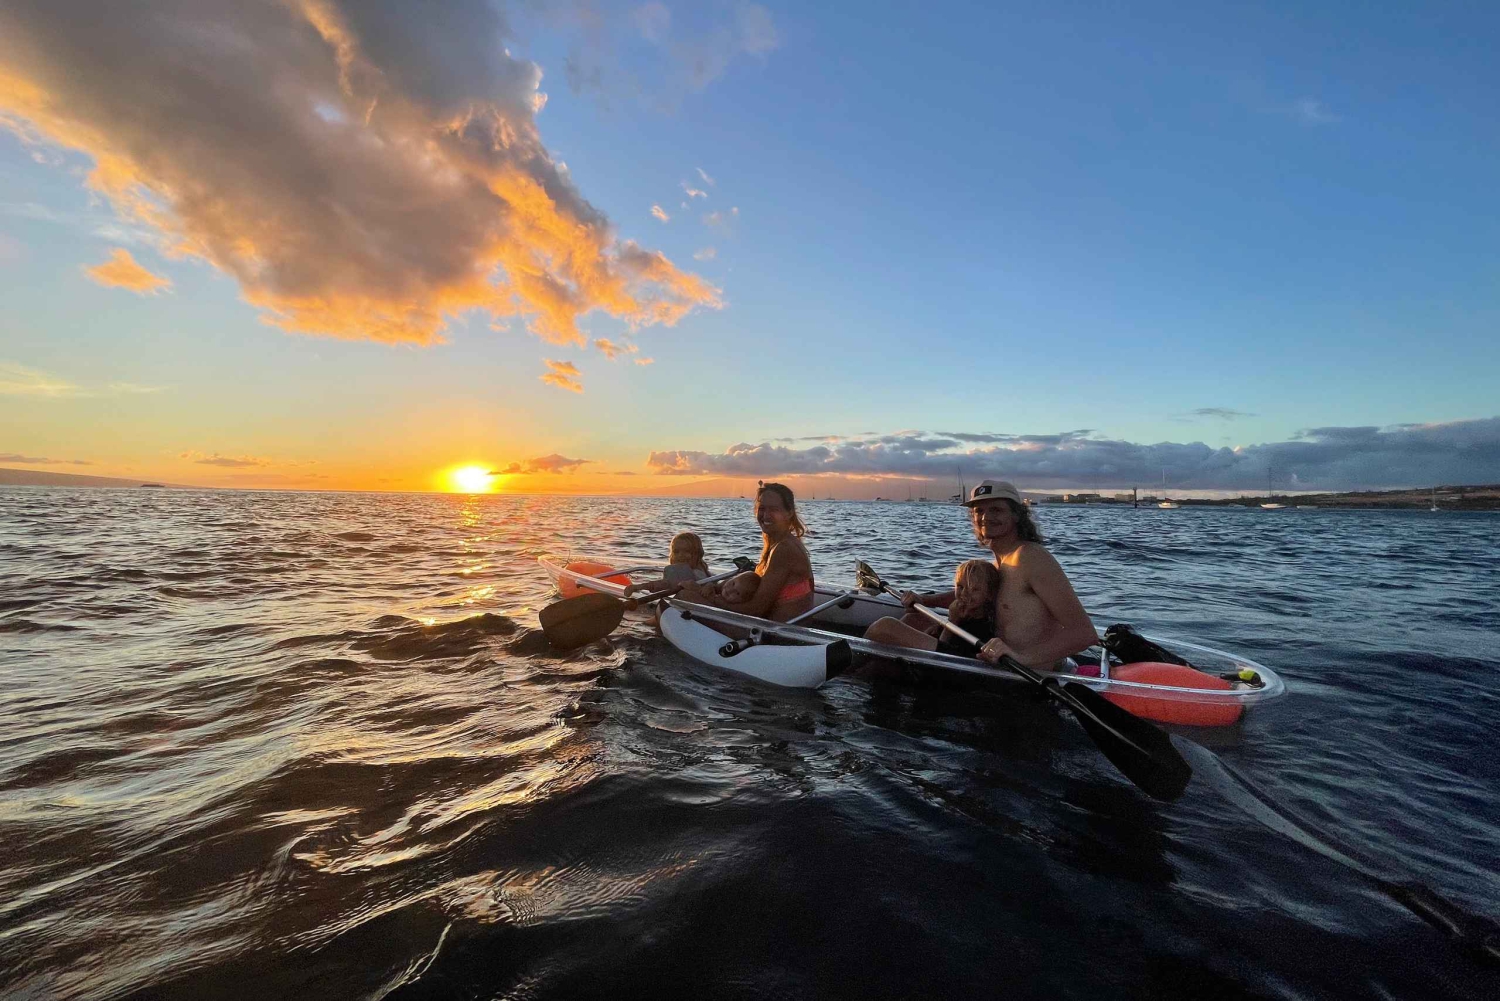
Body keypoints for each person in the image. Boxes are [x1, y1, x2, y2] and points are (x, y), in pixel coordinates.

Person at [874, 480, 1096, 670]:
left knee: (885, 627)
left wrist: (1023, 658)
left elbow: (1084, 633)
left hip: (1015, 670)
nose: (985, 517)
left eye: (996, 510)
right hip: (986, 656)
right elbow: (978, 594)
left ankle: (845, 678)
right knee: (915, 617)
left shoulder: (1029, 557)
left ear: (1017, 515)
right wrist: (926, 600)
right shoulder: (1002, 560)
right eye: (979, 511)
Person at [678, 482, 815, 621]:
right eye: (762, 508)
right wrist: (715, 589)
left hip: (777, 634)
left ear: (789, 512)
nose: (766, 515)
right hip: (770, 625)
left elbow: (755, 610)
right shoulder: (780, 542)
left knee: (684, 597)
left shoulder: (784, 549)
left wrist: (708, 597)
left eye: (773, 509)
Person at [865, 559, 1000, 653]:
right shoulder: (967, 613)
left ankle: (851, 660)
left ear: (989, 594)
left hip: (951, 662)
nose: (964, 593)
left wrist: (952, 621)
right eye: (960, 587)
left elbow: (944, 650)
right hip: (944, 649)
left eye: (974, 589)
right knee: (911, 618)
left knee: (884, 625)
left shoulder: (981, 625)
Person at [622, 531, 710, 596]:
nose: (681, 555)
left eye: (687, 551)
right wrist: (639, 587)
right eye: (676, 551)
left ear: (698, 553)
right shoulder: (677, 572)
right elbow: (663, 584)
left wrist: (710, 588)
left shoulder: (701, 573)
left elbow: (711, 586)